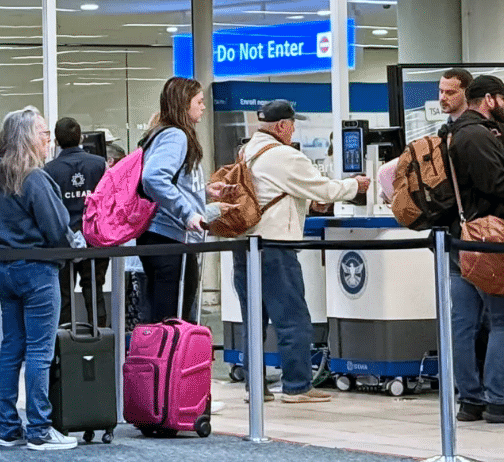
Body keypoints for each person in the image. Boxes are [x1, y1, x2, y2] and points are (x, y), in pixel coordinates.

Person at [234, 99, 369, 404]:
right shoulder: (284, 155)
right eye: (292, 124)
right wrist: (354, 185)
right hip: (276, 247)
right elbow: (324, 188)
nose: (293, 130)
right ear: (282, 126)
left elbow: (275, 192)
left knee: (253, 320)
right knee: (293, 318)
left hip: (246, 245)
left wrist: (307, 203)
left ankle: (254, 387)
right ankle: (297, 386)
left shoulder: (247, 151)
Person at [0, 106, 77, 451]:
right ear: (28, 138)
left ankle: (8, 428)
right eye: (43, 133)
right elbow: (56, 228)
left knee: (11, 349)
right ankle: (39, 429)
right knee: (40, 350)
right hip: (38, 269)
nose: (48, 140)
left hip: (5, 269)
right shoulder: (34, 178)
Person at [445, 74, 504, 423]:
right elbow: (497, 186)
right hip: (487, 239)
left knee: (465, 323)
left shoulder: (453, 133)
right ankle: (502, 398)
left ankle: (471, 399)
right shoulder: (476, 135)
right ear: (489, 99)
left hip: (459, 238)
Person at [139, 78, 224, 325]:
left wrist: (203, 192)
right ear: (183, 103)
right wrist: (188, 213)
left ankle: (165, 363)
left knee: (166, 315)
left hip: (162, 238)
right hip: (170, 238)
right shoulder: (176, 135)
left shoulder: (163, 134)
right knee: (173, 320)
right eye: (199, 101)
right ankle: (168, 364)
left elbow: (171, 181)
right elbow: (154, 177)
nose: (203, 107)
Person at [43, 117, 108, 327]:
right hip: (94, 238)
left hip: (63, 240)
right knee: (95, 290)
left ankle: (65, 344)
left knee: (63, 295)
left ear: (56, 141)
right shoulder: (99, 164)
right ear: (81, 137)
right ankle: (100, 341)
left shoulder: (49, 170)